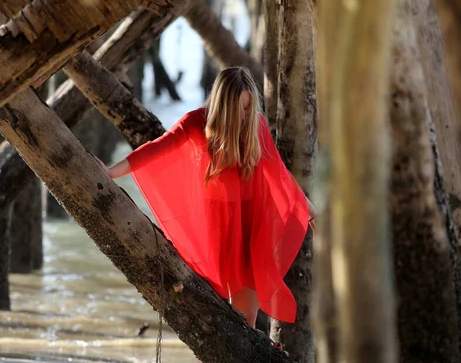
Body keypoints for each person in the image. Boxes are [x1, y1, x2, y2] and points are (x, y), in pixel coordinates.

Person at [97, 66, 316, 330]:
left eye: (248, 107)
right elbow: (156, 149)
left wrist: (312, 213)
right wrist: (111, 172)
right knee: (230, 310)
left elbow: (279, 174)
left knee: (248, 312)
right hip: (221, 226)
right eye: (239, 108)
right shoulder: (196, 122)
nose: (245, 115)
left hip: (255, 221)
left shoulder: (256, 125)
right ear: (223, 105)